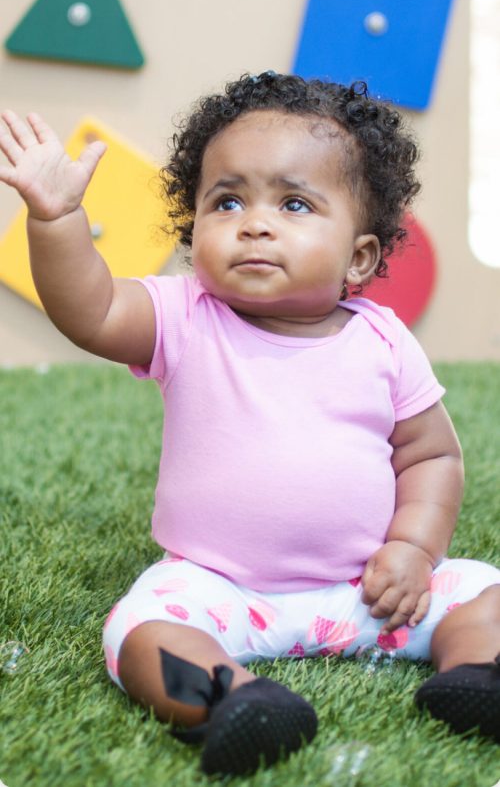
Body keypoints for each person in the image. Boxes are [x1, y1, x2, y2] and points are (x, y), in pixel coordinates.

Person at [0, 72, 499, 777]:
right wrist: (55, 218)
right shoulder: (185, 316)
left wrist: (415, 551)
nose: (255, 222)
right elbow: (92, 310)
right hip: (220, 590)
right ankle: (234, 700)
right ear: (194, 223)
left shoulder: (384, 343)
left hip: (367, 589)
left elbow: (430, 459)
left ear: (359, 255)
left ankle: (480, 673)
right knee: (140, 631)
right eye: (227, 200)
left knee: (485, 592)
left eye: (295, 203)